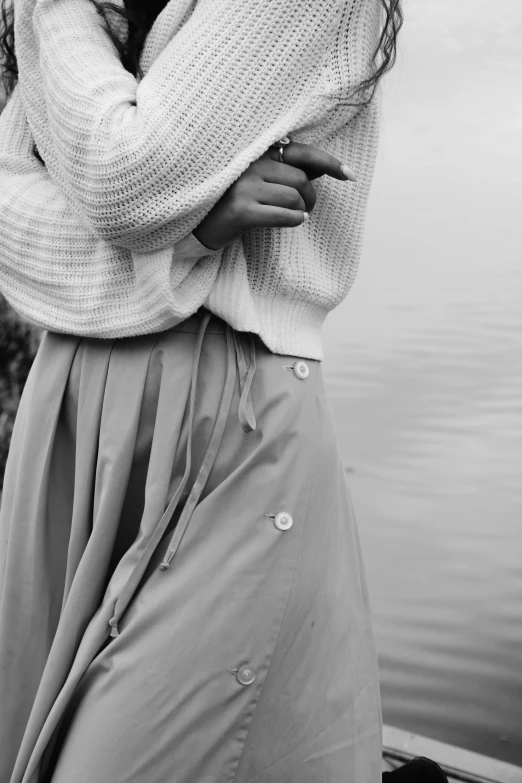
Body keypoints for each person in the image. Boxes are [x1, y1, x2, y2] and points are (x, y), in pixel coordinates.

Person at [0, 0, 448, 781]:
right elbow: (9, 218)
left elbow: (124, 177)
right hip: (70, 415)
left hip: (226, 417)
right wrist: (192, 239)